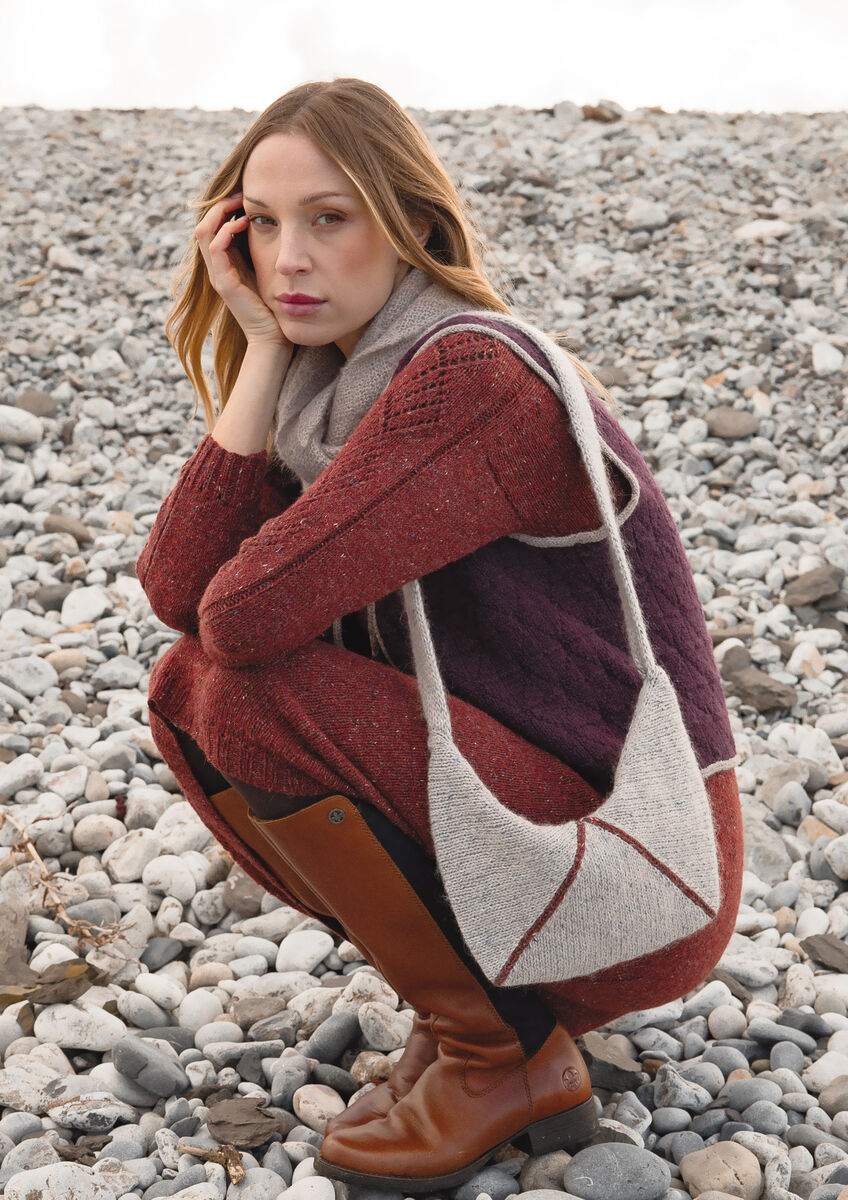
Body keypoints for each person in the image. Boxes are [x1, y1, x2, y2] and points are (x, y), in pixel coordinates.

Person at [136, 77, 743, 1192]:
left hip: (632, 866)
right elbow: (179, 592)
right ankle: (476, 1013)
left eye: (329, 218)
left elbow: (243, 616)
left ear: (410, 223)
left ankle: (501, 1053)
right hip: (521, 834)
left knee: (243, 688)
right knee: (188, 684)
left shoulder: (470, 378)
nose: (287, 259)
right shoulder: (330, 387)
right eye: (260, 223)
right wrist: (260, 353)